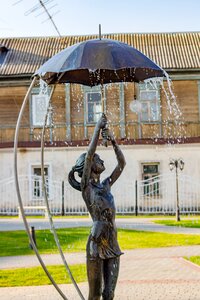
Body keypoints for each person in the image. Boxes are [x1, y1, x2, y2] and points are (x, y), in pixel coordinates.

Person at [68, 113, 126, 300]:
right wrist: (97, 129)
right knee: (94, 296)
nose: (102, 161)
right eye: (98, 159)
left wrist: (114, 141)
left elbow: (122, 164)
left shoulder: (106, 184)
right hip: (96, 244)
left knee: (109, 294)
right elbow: (91, 152)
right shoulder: (87, 187)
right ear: (90, 164)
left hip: (112, 240)